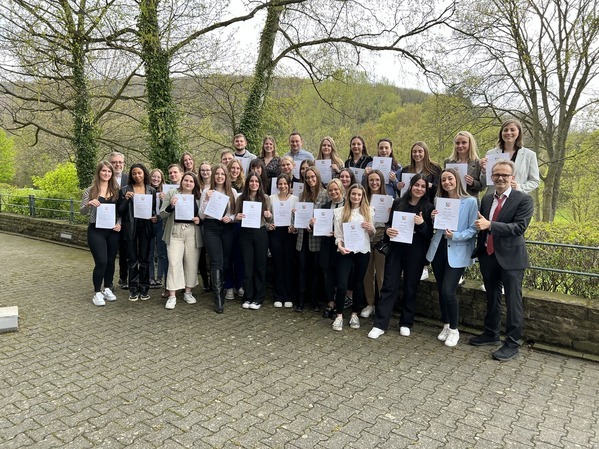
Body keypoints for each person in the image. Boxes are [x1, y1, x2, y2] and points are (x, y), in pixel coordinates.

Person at [471, 160, 534, 361]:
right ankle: (491, 334)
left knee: (513, 301)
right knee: (492, 297)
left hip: (511, 259)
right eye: (496, 174)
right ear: (492, 176)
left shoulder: (523, 200)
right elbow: (482, 226)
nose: (500, 178)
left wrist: (491, 224)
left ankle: (512, 343)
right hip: (488, 255)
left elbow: (519, 228)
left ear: (512, 177)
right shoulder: (487, 199)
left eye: (505, 175)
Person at [368, 174, 434, 339]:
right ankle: (380, 324)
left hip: (416, 253)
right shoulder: (398, 203)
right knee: (389, 285)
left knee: (411, 287)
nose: (419, 188)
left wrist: (422, 224)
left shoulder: (428, 207)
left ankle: (406, 322)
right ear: (410, 186)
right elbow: (389, 226)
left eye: (422, 186)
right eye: (416, 185)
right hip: (396, 251)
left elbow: (429, 236)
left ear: (425, 189)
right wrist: (389, 231)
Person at [426, 168, 478, 347]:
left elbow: (473, 229)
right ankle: (446, 324)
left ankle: (455, 330)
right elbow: (439, 227)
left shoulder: (470, 202)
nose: (447, 182)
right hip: (439, 248)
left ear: (457, 180)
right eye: (444, 180)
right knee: (441, 289)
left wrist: (456, 236)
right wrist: (434, 218)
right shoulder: (439, 201)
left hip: (457, 249)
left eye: (450, 179)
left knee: (449, 290)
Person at [332, 183, 375, 331]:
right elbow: (338, 235)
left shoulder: (369, 211)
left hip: (363, 250)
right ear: (349, 195)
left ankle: (354, 314)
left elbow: (371, 235)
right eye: (353, 194)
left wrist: (371, 229)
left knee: (358, 283)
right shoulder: (340, 212)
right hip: (346, 250)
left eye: (359, 195)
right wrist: (340, 246)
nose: (356, 197)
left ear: (363, 196)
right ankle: (339, 316)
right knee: (342, 284)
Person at [80, 161, 122, 306]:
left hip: (112, 231)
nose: (106, 174)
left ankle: (107, 288)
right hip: (96, 230)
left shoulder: (117, 190)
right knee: (101, 261)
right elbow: (82, 211)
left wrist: (119, 224)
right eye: (104, 171)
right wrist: (89, 203)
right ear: (99, 172)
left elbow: (121, 211)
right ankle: (97, 292)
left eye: (109, 171)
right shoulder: (90, 191)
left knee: (111, 261)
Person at [160, 172, 203, 310]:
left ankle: (188, 292)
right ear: (182, 181)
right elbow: (162, 214)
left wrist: (199, 220)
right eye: (186, 180)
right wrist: (171, 207)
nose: (188, 183)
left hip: (192, 232)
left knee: (191, 262)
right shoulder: (172, 193)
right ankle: (172, 295)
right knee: (174, 262)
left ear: (194, 183)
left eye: (191, 181)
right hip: (175, 232)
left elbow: (204, 215)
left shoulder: (199, 196)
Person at [199, 164, 238, 313]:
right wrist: (207, 200)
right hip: (211, 227)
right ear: (213, 176)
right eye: (217, 174)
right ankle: (218, 298)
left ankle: (221, 289)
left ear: (226, 176)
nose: (220, 176)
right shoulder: (206, 192)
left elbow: (236, 213)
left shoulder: (232, 192)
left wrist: (230, 218)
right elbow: (201, 215)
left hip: (227, 228)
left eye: (223, 174)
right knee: (216, 261)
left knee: (226, 261)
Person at [118, 163, 157, 302]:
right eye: (134, 173)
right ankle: (133, 289)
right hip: (130, 227)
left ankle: (144, 288)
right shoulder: (124, 190)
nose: (137, 175)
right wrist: (125, 199)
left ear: (144, 174)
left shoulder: (151, 190)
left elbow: (154, 210)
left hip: (145, 226)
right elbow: (120, 211)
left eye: (139, 173)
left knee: (145, 259)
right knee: (132, 259)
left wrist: (154, 217)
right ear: (131, 175)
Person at [292, 166, 328, 312]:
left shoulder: (326, 195)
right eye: (307, 178)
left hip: (316, 238)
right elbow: (297, 218)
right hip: (302, 236)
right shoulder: (302, 195)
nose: (310, 180)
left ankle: (314, 300)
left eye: (313, 177)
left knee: (314, 270)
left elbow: (328, 217)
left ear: (318, 177)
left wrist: (316, 222)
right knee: (301, 268)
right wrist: (295, 214)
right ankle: (300, 301)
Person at [235, 172, 272, 309]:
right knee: (247, 265)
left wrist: (268, 215)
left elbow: (270, 219)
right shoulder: (241, 198)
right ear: (248, 183)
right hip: (245, 233)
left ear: (260, 184)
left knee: (260, 265)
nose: (254, 184)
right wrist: (237, 217)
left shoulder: (265, 198)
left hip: (260, 232)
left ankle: (258, 298)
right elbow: (235, 216)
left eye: (257, 181)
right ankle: (248, 296)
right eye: (251, 181)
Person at [481, 119, 539, 195]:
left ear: (519, 132)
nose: (508, 133)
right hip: (494, 199)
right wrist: (484, 171)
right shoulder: (491, 153)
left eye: (512, 130)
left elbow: (535, 181)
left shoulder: (529, 155)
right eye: (505, 130)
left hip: (517, 199)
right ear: (501, 133)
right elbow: (484, 184)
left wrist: (519, 187)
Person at [268, 174, 299, 308]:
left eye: (285, 184)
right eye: (280, 184)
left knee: (289, 265)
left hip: (289, 234)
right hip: (276, 234)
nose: (283, 186)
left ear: (289, 185)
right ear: (277, 186)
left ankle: (288, 295)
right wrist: (269, 224)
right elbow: (267, 217)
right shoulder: (271, 198)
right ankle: (278, 295)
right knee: (277, 264)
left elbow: (299, 221)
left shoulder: (295, 199)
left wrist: (295, 222)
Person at [361, 169, 388, 318]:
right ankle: (370, 304)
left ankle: (382, 306)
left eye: (377, 180)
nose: (374, 182)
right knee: (367, 273)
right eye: (371, 180)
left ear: (382, 182)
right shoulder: (363, 198)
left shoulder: (388, 198)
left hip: (380, 238)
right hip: (364, 239)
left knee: (381, 274)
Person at [318, 178, 345, 319]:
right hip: (327, 246)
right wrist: (313, 224)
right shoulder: (324, 207)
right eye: (330, 190)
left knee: (340, 277)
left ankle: (339, 307)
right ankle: (330, 304)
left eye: (336, 189)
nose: (333, 192)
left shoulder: (348, 205)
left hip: (342, 247)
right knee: (327, 276)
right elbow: (318, 227)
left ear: (341, 190)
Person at [225, 158, 245, 299]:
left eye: (238, 168)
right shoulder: (224, 186)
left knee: (239, 256)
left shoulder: (245, 185)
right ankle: (229, 286)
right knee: (228, 256)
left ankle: (240, 284)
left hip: (240, 224)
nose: (235, 171)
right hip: (226, 224)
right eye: (232, 168)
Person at [444, 131, 484, 201]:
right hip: (452, 202)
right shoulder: (448, 162)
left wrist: (473, 183)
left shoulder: (478, 163)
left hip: (470, 201)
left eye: (464, 142)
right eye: (457, 143)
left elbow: (482, 187)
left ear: (470, 144)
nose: (460, 146)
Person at [109, 151, 128, 289]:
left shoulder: (129, 178)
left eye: (120, 162)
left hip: (126, 221)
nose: (117, 164)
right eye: (114, 162)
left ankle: (123, 278)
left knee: (125, 251)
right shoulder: (105, 178)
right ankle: (108, 280)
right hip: (109, 220)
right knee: (109, 252)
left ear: (124, 164)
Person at [149, 168, 167, 289]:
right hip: (149, 222)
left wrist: (163, 199)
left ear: (161, 179)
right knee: (149, 252)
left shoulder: (165, 192)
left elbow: (167, 209)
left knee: (161, 252)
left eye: (158, 177)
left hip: (161, 223)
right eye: (153, 177)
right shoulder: (146, 190)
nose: (156, 179)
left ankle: (159, 277)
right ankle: (150, 277)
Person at [198, 162, 212, 291]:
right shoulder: (197, 186)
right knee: (201, 252)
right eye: (203, 170)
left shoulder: (215, 186)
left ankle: (213, 280)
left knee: (211, 252)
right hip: (197, 222)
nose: (205, 172)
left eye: (207, 170)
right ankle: (205, 280)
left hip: (210, 222)